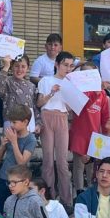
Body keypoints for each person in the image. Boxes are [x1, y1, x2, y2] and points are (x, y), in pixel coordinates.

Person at [36, 51, 76, 207]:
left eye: (71, 66)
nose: (68, 68)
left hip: (62, 117)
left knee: (62, 161)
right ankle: (48, 199)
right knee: (47, 160)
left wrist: (72, 97)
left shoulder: (71, 82)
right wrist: (51, 93)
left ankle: (66, 201)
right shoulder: (45, 80)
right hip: (47, 116)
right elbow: (39, 103)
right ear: (57, 64)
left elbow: (71, 108)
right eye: (65, 65)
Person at [68, 64, 110, 194]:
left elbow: (105, 117)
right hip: (79, 134)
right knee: (79, 166)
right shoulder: (78, 91)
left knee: (92, 166)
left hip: (95, 136)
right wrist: (96, 94)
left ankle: (92, 192)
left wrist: (106, 135)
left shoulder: (103, 94)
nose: (88, 76)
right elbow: (83, 104)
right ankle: (79, 192)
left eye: (92, 73)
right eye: (85, 73)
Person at [0, 104, 35, 209]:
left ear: (25, 122)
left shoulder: (31, 139)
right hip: (3, 177)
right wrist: (2, 145)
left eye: (14, 122)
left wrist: (14, 142)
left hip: (18, 181)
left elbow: (22, 162)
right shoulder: (10, 133)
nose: (11, 125)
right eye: (10, 122)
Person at [0, 55, 37, 134]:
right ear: (11, 67)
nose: (20, 69)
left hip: (27, 123)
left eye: (23, 66)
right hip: (10, 121)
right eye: (16, 66)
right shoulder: (7, 81)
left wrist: (38, 122)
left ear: (28, 68)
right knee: (10, 142)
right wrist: (6, 66)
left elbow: (35, 106)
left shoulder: (32, 86)